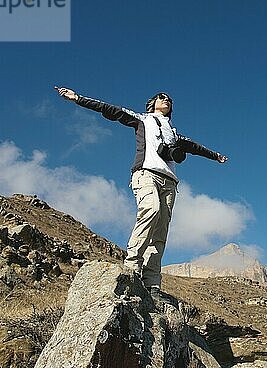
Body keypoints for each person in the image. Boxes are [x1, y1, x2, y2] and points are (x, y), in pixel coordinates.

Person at [55, 87, 228, 297]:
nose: (167, 100)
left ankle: (152, 282)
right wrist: (78, 99)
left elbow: (195, 147)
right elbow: (109, 110)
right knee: (151, 210)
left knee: (160, 231)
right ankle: (132, 266)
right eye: (162, 97)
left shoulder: (173, 133)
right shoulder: (142, 119)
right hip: (146, 174)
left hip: (170, 183)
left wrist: (216, 156)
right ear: (152, 103)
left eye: (169, 99)